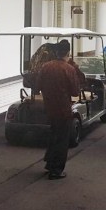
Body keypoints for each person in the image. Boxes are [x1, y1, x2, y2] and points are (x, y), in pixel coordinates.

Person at [35, 40, 82, 180]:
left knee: (53, 135)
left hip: (49, 108)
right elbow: (75, 92)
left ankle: (49, 163)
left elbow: (37, 87)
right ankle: (56, 170)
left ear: (56, 52)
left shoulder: (45, 67)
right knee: (62, 139)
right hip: (63, 109)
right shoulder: (69, 69)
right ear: (68, 53)